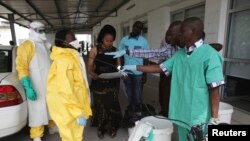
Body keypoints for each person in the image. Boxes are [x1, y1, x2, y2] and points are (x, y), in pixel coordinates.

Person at [120, 17, 225, 141]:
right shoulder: (180, 54)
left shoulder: (210, 55)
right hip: (181, 112)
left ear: (193, 31)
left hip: (199, 115)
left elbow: (214, 88)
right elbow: (159, 67)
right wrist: (132, 66)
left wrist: (214, 118)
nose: (179, 35)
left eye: (182, 31)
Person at [106, 21, 181, 117]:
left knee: (139, 94)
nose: (168, 39)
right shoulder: (171, 49)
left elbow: (153, 60)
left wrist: (141, 71)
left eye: (171, 35)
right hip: (185, 114)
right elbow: (154, 56)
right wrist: (127, 56)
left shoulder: (204, 53)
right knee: (163, 94)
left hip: (197, 110)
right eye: (167, 34)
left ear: (181, 34)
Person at [46, 29, 92, 141]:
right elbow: (64, 89)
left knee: (74, 135)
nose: (76, 40)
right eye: (73, 38)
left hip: (73, 104)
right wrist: (78, 112)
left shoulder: (71, 57)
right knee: (71, 136)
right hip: (69, 107)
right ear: (65, 43)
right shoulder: (64, 60)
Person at [16, 21, 57, 141]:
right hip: (36, 85)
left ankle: (52, 126)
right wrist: (28, 87)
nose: (43, 33)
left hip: (49, 83)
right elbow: (21, 67)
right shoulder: (26, 46)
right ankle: (36, 135)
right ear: (32, 31)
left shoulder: (45, 44)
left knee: (51, 106)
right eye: (40, 31)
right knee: (37, 109)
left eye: (44, 30)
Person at [87, 25, 123, 139]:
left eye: (112, 41)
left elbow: (118, 66)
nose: (109, 43)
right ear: (102, 38)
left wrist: (121, 72)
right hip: (99, 80)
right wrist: (93, 75)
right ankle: (101, 127)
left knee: (112, 104)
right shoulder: (95, 50)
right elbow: (90, 68)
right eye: (107, 40)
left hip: (113, 81)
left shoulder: (116, 50)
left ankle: (113, 127)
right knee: (101, 105)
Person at [119, 21, 149, 110]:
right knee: (128, 91)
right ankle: (131, 108)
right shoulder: (124, 40)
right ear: (133, 26)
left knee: (138, 92)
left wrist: (145, 73)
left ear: (141, 30)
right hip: (127, 71)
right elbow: (120, 55)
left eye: (140, 28)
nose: (137, 29)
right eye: (136, 26)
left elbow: (146, 57)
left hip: (138, 72)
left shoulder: (143, 41)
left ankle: (137, 109)